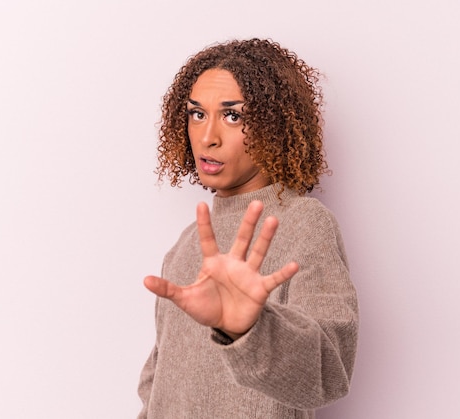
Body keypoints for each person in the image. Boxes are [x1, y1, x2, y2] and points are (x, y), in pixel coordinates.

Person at [138, 38, 358, 418]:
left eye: (233, 115)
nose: (208, 137)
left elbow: (329, 372)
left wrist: (250, 330)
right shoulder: (187, 244)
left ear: (274, 125)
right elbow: (157, 387)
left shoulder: (303, 222)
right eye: (197, 114)